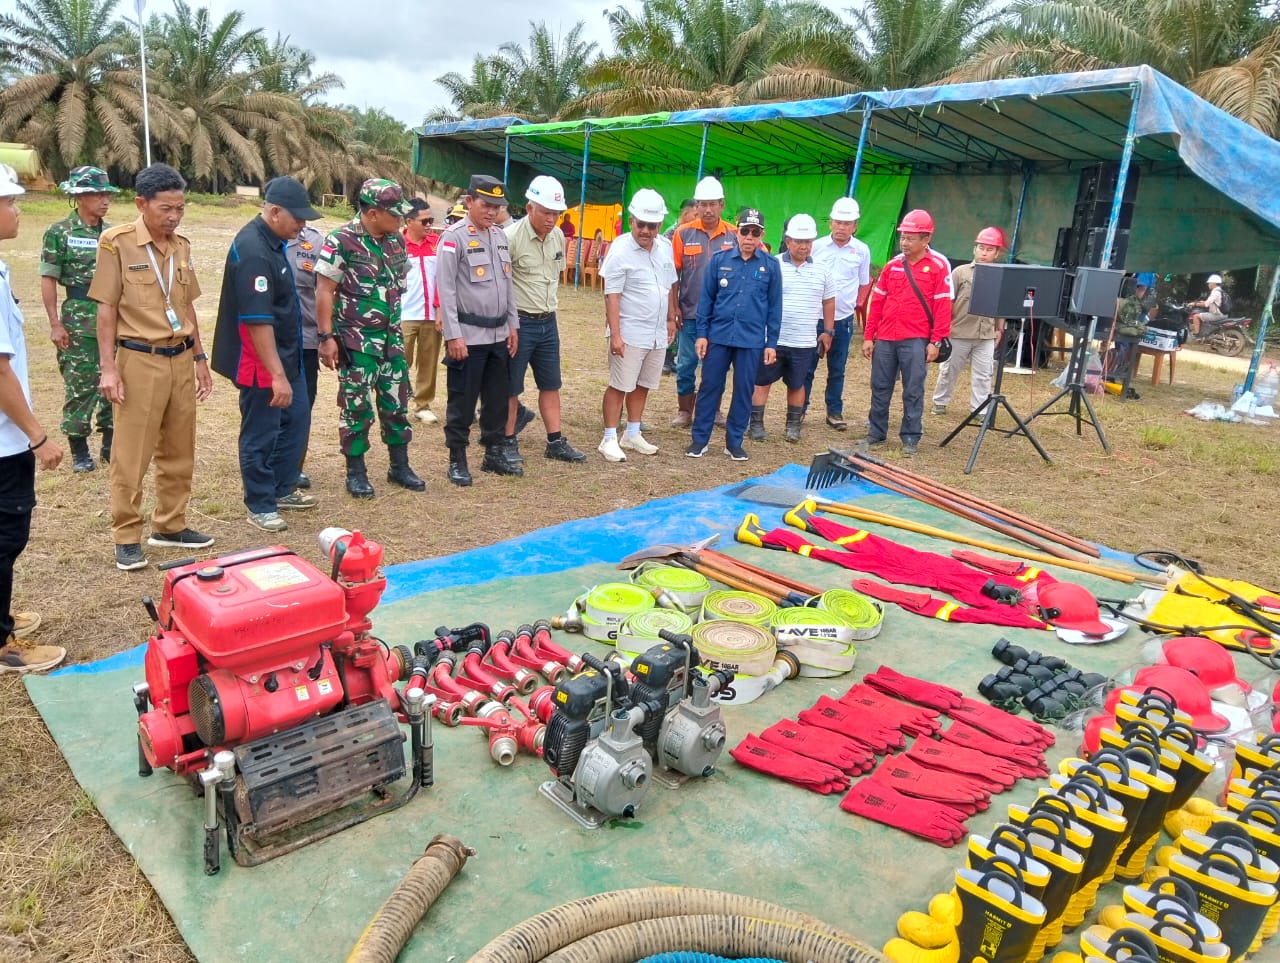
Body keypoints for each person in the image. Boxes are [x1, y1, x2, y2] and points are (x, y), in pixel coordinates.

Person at [91, 163, 214, 571]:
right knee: (132, 454)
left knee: (180, 450)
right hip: (138, 360)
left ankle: (170, 524)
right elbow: (106, 309)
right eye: (166, 209)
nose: (174, 217)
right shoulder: (117, 243)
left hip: (179, 358)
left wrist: (199, 358)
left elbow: (187, 307)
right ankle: (126, 535)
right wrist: (108, 369)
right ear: (141, 203)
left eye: (180, 208)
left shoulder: (182, 246)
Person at [211, 177, 319, 533]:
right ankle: (259, 502)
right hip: (260, 361)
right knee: (262, 432)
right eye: (298, 218)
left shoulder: (274, 242)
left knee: (297, 419)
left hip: (288, 355)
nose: (303, 225)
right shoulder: (254, 250)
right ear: (274, 212)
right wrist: (276, 375)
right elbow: (257, 321)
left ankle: (282, 487)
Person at [315, 178, 425, 499]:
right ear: (373, 213)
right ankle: (356, 472)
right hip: (356, 342)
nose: (401, 220)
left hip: (391, 340)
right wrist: (326, 337)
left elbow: (398, 284)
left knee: (396, 404)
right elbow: (324, 290)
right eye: (395, 214)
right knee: (356, 407)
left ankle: (399, 466)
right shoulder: (341, 241)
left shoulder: (396, 242)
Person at [0, 163, 67, 673]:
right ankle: (3, 645)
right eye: (9, 202)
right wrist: (37, 436)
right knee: (5, 535)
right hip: (4, 441)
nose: (17, 210)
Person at [436, 174, 521, 486]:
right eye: (486, 204)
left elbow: (508, 285)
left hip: (499, 335)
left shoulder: (500, 236)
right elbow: (445, 291)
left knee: (497, 399)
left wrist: (513, 324)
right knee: (462, 400)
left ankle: (493, 453)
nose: (491, 211)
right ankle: (457, 458)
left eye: (497, 206)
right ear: (469, 201)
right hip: (468, 336)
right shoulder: (453, 238)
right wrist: (453, 335)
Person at [40, 166, 119, 473]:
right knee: (81, 383)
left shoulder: (112, 234)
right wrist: (54, 323)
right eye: (97, 194)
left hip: (112, 315)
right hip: (78, 315)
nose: (104, 200)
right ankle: (80, 449)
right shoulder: (60, 232)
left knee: (114, 380)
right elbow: (48, 278)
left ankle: (111, 444)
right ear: (79, 196)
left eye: (106, 194)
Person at [504, 174, 586, 465]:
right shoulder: (510, 238)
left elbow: (553, 278)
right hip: (519, 323)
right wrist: (509, 325)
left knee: (551, 384)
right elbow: (501, 286)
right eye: (547, 212)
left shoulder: (558, 238)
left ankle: (555, 442)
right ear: (530, 208)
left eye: (557, 213)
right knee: (511, 386)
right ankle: (507, 440)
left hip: (548, 322)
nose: (552, 219)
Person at [687, 208, 781, 461]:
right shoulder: (719, 260)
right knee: (709, 387)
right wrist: (702, 335)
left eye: (755, 232)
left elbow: (774, 307)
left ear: (762, 235)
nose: (749, 237)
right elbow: (706, 300)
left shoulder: (770, 266)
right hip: (718, 336)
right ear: (736, 232)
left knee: (743, 390)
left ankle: (734, 442)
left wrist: (771, 342)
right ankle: (700, 440)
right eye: (745, 231)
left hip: (750, 340)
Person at [861, 209, 952, 458]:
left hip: (915, 339)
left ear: (926, 239)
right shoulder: (892, 266)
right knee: (880, 386)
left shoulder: (938, 267)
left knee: (913, 389)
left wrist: (936, 340)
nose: (904, 242)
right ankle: (876, 432)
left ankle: (910, 436)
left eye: (911, 238)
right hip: (887, 338)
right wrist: (869, 336)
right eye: (903, 237)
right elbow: (877, 304)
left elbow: (942, 306)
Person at [598, 189, 678, 463]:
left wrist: (670, 317)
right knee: (619, 385)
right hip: (629, 330)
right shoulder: (619, 249)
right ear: (631, 221)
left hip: (655, 332)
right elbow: (612, 295)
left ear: (659, 225)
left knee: (642, 384)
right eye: (640, 224)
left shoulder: (665, 247)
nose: (646, 230)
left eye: (652, 225)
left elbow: (668, 285)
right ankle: (609, 437)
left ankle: (632, 433)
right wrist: (616, 335)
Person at [750, 213, 834, 446]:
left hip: (804, 340)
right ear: (788, 241)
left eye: (808, 241)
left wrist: (828, 331)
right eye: (799, 241)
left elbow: (828, 302)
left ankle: (793, 426)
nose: (804, 246)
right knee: (762, 381)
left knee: (798, 384)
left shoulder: (823, 270)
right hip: (773, 340)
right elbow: (760, 298)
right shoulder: (772, 265)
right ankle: (756, 424)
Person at [671, 176, 738, 427]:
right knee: (686, 363)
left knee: (717, 366)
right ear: (696, 206)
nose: (708, 209)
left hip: (723, 316)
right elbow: (673, 275)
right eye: (703, 204)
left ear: (722, 205)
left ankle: (714, 410)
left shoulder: (734, 235)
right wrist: (673, 307)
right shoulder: (682, 234)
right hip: (690, 313)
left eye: (713, 204)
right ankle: (684, 411)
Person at [809, 196, 871, 430]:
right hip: (814, 317)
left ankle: (834, 412)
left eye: (847, 223)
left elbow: (864, 282)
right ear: (830, 223)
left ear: (855, 226)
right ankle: (800, 409)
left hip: (843, 319)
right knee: (807, 367)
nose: (842, 228)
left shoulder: (862, 251)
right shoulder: (816, 247)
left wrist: (852, 303)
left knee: (837, 369)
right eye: (838, 222)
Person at [931, 226, 1006, 416]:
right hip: (959, 332)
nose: (984, 253)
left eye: (989, 249)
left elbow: (1001, 305)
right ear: (974, 249)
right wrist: (944, 328)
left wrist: (999, 329)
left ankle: (980, 411)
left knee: (983, 374)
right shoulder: (960, 273)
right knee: (949, 370)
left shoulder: (1000, 275)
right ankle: (939, 402)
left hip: (985, 335)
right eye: (981, 248)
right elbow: (948, 301)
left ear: (996, 253)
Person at [286, 217, 325, 489]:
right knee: (268, 405)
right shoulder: (256, 240)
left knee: (302, 406)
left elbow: (324, 290)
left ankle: (293, 466)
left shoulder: (314, 240)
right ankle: (266, 463)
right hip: (271, 340)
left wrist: (326, 335)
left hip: (306, 339)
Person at [401, 199, 441, 425]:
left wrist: (440, 310)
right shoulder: (397, 244)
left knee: (428, 363)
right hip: (404, 315)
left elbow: (443, 280)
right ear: (409, 221)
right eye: (425, 221)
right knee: (399, 362)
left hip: (431, 315)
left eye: (431, 220)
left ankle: (422, 405)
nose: (429, 225)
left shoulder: (436, 243)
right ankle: (396, 404)